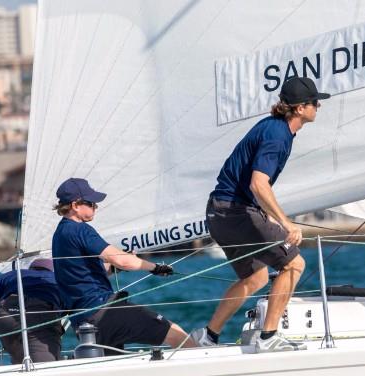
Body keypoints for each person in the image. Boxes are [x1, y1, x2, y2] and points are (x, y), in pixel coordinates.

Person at [191, 77, 330, 353]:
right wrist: (285, 222)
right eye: (315, 102)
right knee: (294, 264)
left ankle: (208, 335)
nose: (318, 106)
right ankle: (268, 337)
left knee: (256, 278)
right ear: (300, 108)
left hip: (220, 211)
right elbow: (258, 183)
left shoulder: (274, 128)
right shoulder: (278, 135)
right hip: (235, 211)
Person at [51, 178, 195, 354]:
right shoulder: (80, 230)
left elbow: (83, 271)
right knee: (177, 335)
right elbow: (122, 260)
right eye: (91, 203)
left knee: (114, 369)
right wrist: (156, 268)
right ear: (75, 205)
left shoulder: (60, 234)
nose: (96, 207)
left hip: (85, 321)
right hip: (103, 312)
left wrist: (114, 268)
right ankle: (207, 370)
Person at [0, 258, 63, 364]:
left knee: (22, 367)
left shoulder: (12, 275)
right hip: (38, 314)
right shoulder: (58, 279)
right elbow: (73, 305)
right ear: (53, 271)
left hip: (5, 319)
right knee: (45, 368)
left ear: (31, 269)